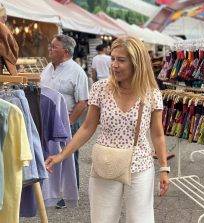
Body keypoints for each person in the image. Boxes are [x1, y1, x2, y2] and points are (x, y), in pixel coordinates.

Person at [45, 37, 170, 223]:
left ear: (137, 63)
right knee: (102, 219)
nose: (114, 65)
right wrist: (62, 155)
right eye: (113, 58)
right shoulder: (100, 89)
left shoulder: (151, 93)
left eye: (121, 60)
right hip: (105, 165)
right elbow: (87, 127)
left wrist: (164, 168)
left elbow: (158, 134)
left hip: (139, 166)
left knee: (140, 220)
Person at [41, 34, 89, 207]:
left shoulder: (76, 71)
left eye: (54, 47)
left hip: (67, 121)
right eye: (51, 45)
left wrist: (68, 122)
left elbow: (83, 102)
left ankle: (70, 193)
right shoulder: (48, 68)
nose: (50, 49)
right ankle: (50, 191)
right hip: (47, 121)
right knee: (49, 154)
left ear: (66, 52)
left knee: (69, 155)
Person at [0, 3, 18, 76]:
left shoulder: (3, 29)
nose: (6, 18)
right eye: (4, 17)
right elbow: (14, 48)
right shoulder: (3, 28)